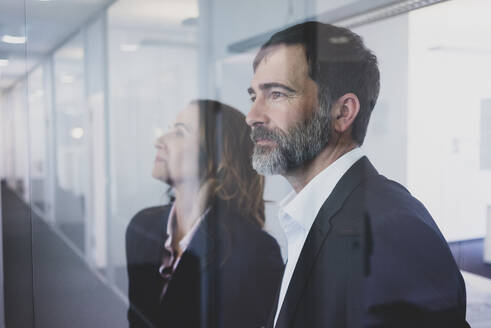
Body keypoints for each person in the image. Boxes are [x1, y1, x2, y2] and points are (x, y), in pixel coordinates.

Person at [246, 22, 468, 328]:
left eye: (277, 94)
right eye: (254, 96)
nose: (252, 116)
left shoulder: (390, 229)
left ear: (342, 112)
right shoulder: (315, 217)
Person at [126, 100, 284, 328]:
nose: (158, 141)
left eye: (180, 132)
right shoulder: (142, 226)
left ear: (219, 157)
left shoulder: (253, 252)